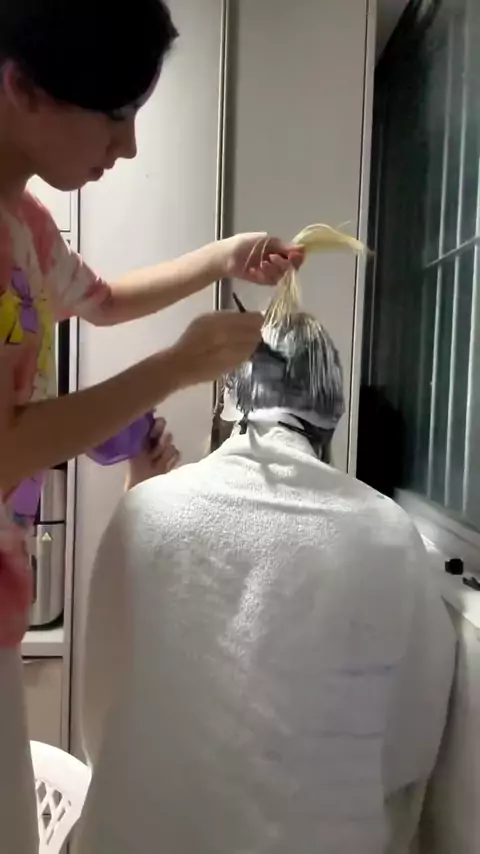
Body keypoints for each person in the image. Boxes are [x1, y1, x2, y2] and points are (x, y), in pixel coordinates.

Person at [0, 1, 302, 849]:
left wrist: (221, 256)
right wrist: (174, 366)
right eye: (115, 114)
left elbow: (104, 300)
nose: (128, 146)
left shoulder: (27, 226)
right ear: (24, 88)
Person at [76, 310, 456, 854]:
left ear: (228, 402)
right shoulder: (390, 535)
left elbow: (102, 721)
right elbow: (409, 751)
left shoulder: (144, 510)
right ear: (330, 414)